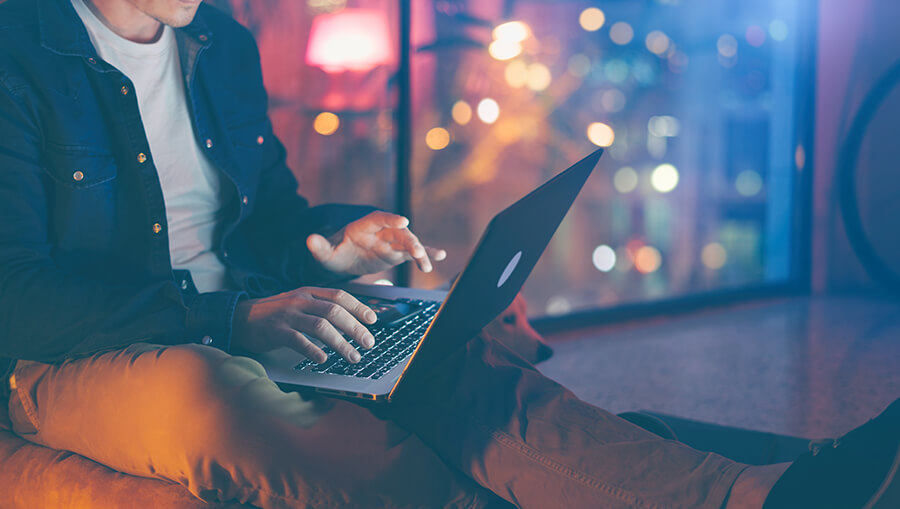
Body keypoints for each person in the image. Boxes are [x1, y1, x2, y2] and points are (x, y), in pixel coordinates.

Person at [0, 0, 897, 507]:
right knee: (211, 396)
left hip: (242, 309)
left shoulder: (219, 44)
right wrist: (231, 319)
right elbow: (18, 292)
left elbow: (269, 215)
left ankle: (763, 498)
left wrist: (336, 245)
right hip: (73, 351)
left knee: (447, 346)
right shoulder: (19, 50)